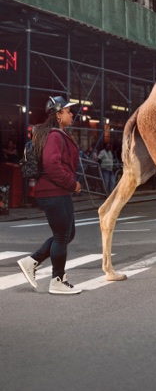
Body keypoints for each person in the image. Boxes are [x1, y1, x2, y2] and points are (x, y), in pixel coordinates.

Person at [17, 96, 82, 295]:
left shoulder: (56, 134)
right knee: (62, 236)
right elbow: (52, 165)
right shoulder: (54, 136)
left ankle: (32, 261)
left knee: (66, 234)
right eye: (68, 111)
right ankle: (57, 280)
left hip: (57, 192)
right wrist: (72, 184)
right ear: (58, 114)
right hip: (54, 192)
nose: (72, 114)